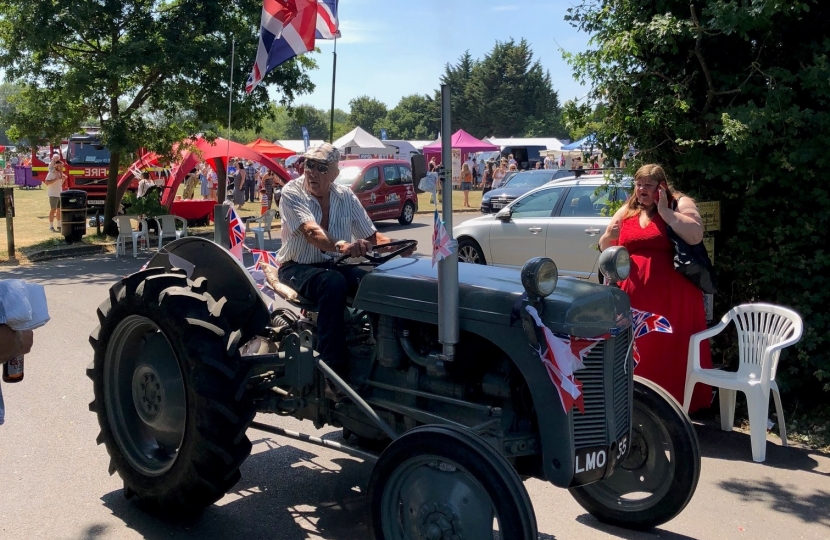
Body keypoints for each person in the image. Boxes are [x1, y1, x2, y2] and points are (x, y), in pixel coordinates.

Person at [275, 143, 415, 395]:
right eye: (308, 164)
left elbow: (372, 237)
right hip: (296, 266)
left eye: (320, 167)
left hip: (332, 264)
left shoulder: (345, 195)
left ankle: (385, 354)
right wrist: (343, 245)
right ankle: (334, 373)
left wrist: (400, 246)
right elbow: (311, 232)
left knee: (375, 283)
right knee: (333, 283)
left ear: (334, 173)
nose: (312, 172)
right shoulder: (292, 192)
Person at [599, 164, 712, 412]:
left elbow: (695, 235)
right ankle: (637, 405)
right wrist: (608, 236)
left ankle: (673, 409)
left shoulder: (678, 203)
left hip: (673, 297)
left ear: (661, 186)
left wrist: (664, 212)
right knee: (639, 350)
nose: (641, 190)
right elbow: (605, 244)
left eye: (648, 185)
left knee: (668, 347)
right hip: (633, 297)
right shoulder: (629, 208)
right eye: (639, 185)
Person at [43, 156, 65, 232]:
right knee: (53, 209)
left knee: (59, 209)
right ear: (57, 166)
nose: (62, 168)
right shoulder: (51, 173)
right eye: (61, 166)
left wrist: (63, 179)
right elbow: (46, 182)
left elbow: (60, 183)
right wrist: (55, 179)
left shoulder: (60, 173)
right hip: (53, 194)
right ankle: (51, 226)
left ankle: (59, 225)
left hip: (59, 194)